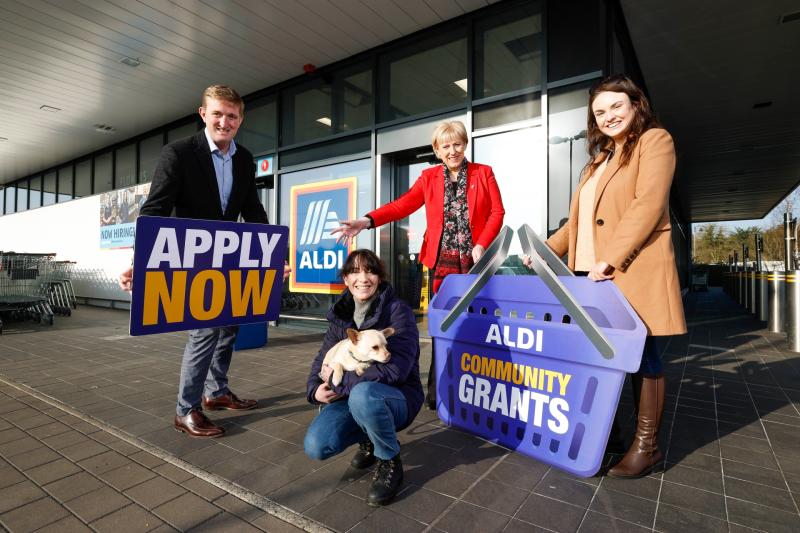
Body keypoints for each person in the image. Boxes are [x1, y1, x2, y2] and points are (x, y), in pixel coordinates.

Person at [119, 85, 287, 439]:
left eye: (232, 115)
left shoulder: (244, 159)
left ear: (240, 119)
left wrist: (273, 258)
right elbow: (156, 209)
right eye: (217, 114)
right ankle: (186, 409)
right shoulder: (178, 153)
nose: (224, 121)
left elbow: (252, 210)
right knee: (205, 330)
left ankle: (216, 392)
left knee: (230, 324)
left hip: (230, 255)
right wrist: (142, 260)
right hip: (192, 257)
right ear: (203, 114)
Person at [539, 74, 686, 478]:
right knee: (600, 359)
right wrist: (547, 252)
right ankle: (608, 435)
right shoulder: (598, 159)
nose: (609, 116)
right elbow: (579, 221)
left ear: (636, 104)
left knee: (643, 357)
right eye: (600, 112)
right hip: (590, 275)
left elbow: (649, 205)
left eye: (616, 106)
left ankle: (646, 447)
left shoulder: (655, 142)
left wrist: (611, 257)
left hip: (628, 269)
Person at [332, 120, 505, 409]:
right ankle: (438, 392)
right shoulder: (429, 178)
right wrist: (366, 220)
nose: (453, 151)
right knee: (442, 326)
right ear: (437, 150)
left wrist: (481, 244)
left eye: (457, 144)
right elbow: (403, 205)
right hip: (441, 266)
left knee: (477, 325)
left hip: (476, 264)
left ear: (465, 144)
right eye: (446, 146)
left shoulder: (483, 173)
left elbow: (497, 212)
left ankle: (476, 390)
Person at [304, 249, 422, 506]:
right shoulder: (341, 315)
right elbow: (322, 358)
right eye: (355, 272)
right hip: (351, 396)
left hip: (397, 396)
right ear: (346, 279)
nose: (363, 278)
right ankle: (368, 436)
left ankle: (389, 458)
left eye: (370, 270)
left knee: (364, 394)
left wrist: (340, 382)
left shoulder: (397, 311)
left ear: (379, 277)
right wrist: (314, 389)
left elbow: (395, 370)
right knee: (317, 445)